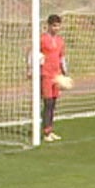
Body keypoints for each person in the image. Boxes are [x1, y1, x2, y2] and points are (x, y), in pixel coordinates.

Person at [30, 14, 68, 142]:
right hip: (45, 74)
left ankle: (49, 130)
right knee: (48, 102)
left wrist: (64, 73)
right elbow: (32, 53)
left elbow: (62, 57)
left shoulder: (60, 41)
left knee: (54, 103)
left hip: (56, 75)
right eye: (54, 25)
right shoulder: (42, 39)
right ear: (49, 25)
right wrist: (30, 69)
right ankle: (45, 131)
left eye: (58, 26)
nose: (56, 28)